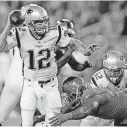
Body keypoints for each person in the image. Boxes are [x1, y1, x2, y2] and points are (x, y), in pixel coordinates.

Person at [0, 4, 99, 126]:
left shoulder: (20, 34)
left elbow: (72, 60)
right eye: (40, 22)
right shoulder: (46, 39)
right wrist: (72, 50)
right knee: (45, 119)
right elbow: (57, 63)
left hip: (20, 81)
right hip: (34, 82)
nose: (44, 25)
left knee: (32, 119)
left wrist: (82, 58)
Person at [49, 76, 127, 126]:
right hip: (121, 114)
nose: (67, 99)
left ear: (79, 91)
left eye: (69, 94)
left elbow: (86, 110)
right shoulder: (83, 95)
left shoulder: (90, 96)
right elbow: (63, 111)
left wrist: (65, 117)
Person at [80, 50, 127, 126]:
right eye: (109, 71)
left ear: (122, 68)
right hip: (105, 105)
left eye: (116, 71)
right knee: (89, 117)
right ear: (104, 68)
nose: (112, 74)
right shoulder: (99, 79)